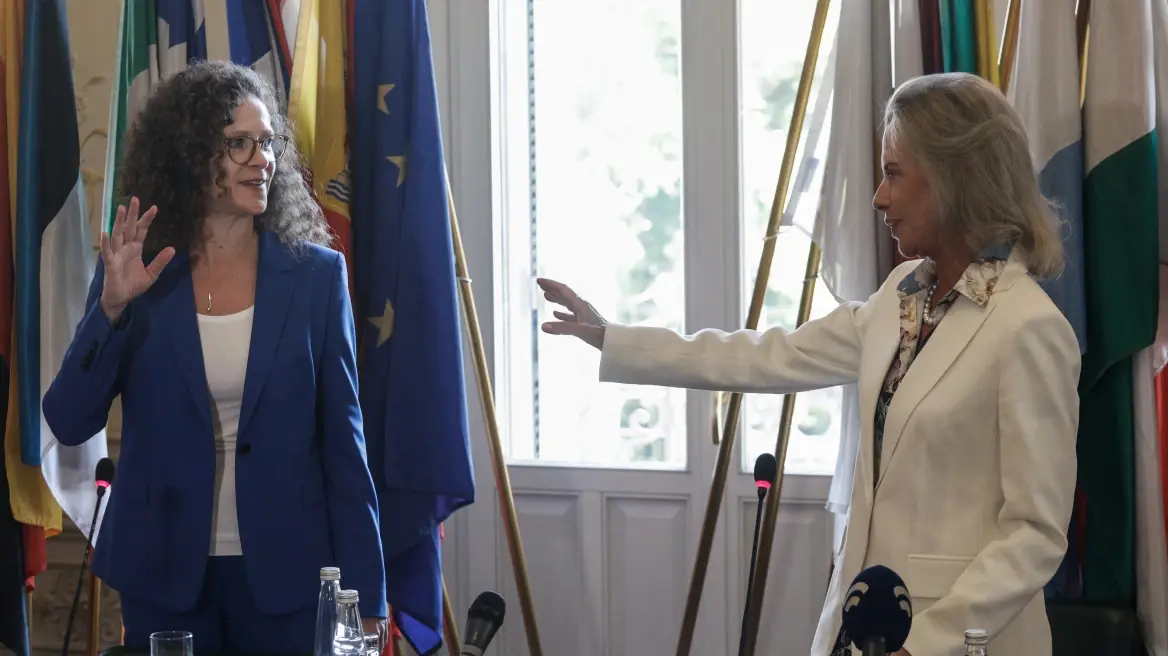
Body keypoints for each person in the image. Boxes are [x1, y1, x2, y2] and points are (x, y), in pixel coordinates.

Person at [539, 72, 1078, 655]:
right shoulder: (900, 296)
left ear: (954, 177)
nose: (878, 198)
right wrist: (612, 338)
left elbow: (1035, 535)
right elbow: (768, 355)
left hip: (955, 643)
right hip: (861, 629)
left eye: (893, 173)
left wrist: (923, 644)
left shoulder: (1028, 327)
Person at [42, 60, 387, 653]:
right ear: (190, 153)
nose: (262, 159)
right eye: (238, 144)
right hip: (164, 572)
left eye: (267, 142)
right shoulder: (137, 270)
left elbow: (344, 447)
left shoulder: (317, 277)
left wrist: (367, 597)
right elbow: (69, 420)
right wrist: (112, 310)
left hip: (290, 574)